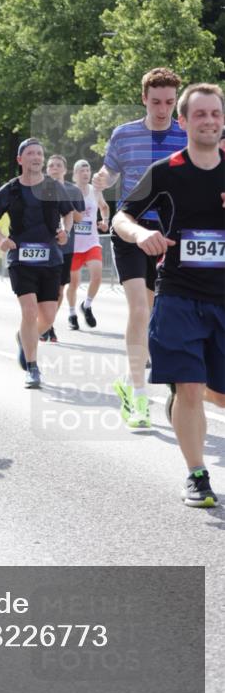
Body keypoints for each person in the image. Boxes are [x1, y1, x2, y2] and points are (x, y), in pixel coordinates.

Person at [112, 84, 225, 505]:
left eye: (215, 114)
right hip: (178, 293)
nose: (209, 121)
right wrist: (141, 234)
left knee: (216, 394)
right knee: (192, 387)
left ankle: (180, 401)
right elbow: (122, 216)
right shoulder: (166, 171)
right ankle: (197, 474)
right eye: (200, 115)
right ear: (184, 122)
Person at [93, 68, 186, 427]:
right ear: (144, 98)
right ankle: (138, 396)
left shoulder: (185, 134)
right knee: (138, 309)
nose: (163, 109)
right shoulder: (125, 134)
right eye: (156, 101)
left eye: (169, 102)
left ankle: (163, 381)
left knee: (159, 312)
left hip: (171, 234)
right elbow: (110, 172)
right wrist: (103, 179)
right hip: (130, 228)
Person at [0, 138, 74, 389]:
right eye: (31, 153)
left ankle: (25, 336)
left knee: (47, 316)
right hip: (20, 258)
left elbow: (68, 213)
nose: (36, 157)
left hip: (51, 258)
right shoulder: (10, 189)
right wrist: (1, 239)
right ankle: (33, 368)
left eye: (39, 154)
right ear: (20, 159)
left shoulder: (53, 187)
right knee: (30, 311)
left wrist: (65, 230)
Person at [41, 154, 85, 340]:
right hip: (44, 245)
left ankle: (47, 324)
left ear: (65, 170)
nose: (54, 168)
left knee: (58, 289)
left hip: (65, 247)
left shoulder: (73, 191)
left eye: (58, 165)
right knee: (43, 289)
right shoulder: (39, 189)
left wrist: (65, 204)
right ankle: (43, 323)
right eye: (51, 165)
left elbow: (80, 218)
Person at [66, 159, 110, 328]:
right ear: (75, 175)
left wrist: (105, 221)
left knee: (97, 276)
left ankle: (87, 305)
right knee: (74, 284)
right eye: (82, 171)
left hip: (92, 242)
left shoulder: (95, 191)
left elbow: (104, 207)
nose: (86, 173)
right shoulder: (70, 192)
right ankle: (72, 314)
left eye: (88, 170)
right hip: (74, 245)